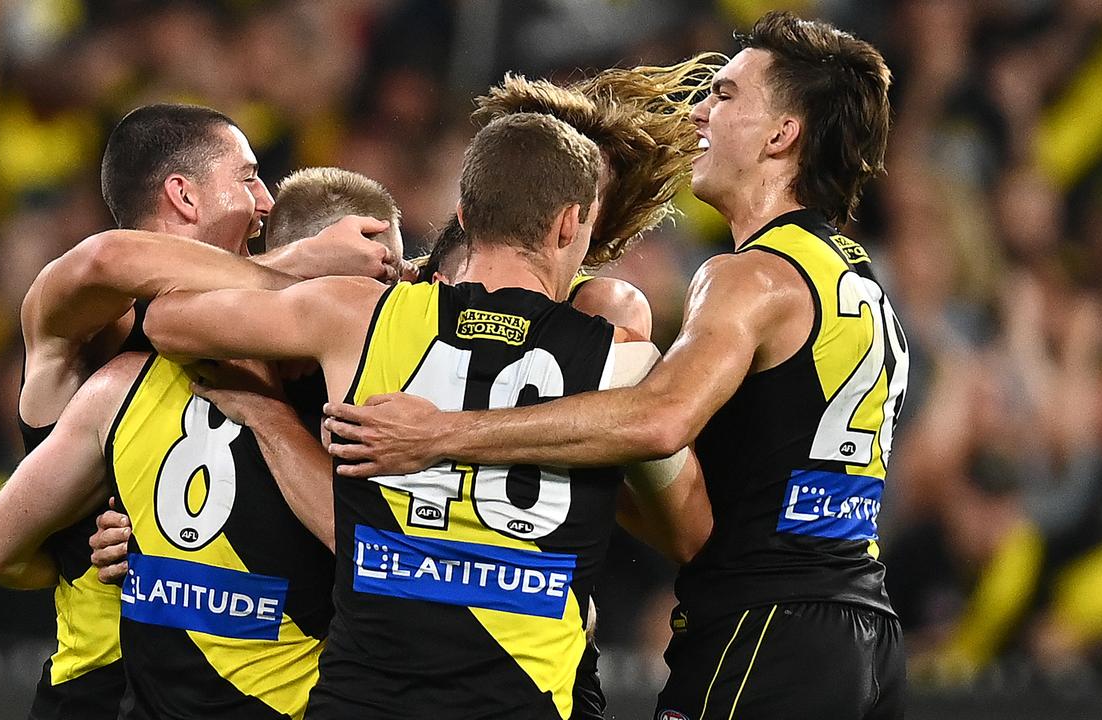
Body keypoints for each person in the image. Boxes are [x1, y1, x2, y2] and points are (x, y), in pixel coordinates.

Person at [323, 11, 909, 720]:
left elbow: (660, 420)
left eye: (724, 96)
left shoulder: (746, 276)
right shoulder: (856, 280)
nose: (698, 111)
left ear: (782, 134)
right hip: (862, 631)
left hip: (766, 626)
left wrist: (440, 434)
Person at [127, 112, 700, 719]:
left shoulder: (356, 315)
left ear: (463, 217)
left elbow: (165, 318)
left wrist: (293, 267)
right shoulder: (622, 362)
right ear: (568, 226)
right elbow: (690, 530)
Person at [0, 102, 398, 720]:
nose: (266, 201)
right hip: (101, 693)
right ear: (183, 195)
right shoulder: (95, 333)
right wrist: (74, 566)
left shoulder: (284, 350)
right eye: (247, 177)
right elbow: (105, 261)